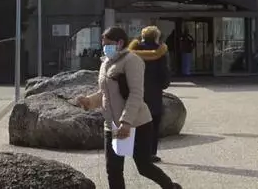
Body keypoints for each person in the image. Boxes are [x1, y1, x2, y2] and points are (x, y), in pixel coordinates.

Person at [77, 27, 182, 189]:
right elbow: (105, 93)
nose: (105, 47)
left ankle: (170, 186)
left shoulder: (132, 61)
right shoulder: (105, 63)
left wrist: (126, 122)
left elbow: (136, 94)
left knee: (144, 166)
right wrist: (88, 101)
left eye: (108, 44)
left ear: (120, 43)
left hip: (137, 123)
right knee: (113, 169)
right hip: (112, 124)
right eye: (103, 44)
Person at [128, 26, 170, 163]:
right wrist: (163, 84)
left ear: (142, 36)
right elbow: (164, 73)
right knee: (153, 124)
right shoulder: (160, 52)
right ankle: (150, 153)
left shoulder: (133, 51)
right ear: (156, 37)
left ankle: (135, 151)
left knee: (135, 122)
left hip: (135, 91)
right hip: (153, 93)